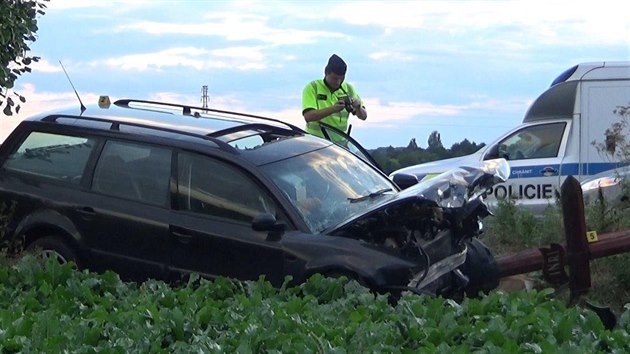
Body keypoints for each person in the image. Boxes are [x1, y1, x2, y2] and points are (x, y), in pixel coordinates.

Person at [302, 54, 367, 138]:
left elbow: (363, 116)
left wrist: (358, 108)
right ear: (326, 72)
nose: (338, 82)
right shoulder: (313, 87)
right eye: (335, 78)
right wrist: (333, 109)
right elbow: (308, 116)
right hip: (316, 143)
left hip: (340, 146)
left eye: (342, 78)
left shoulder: (348, 88)